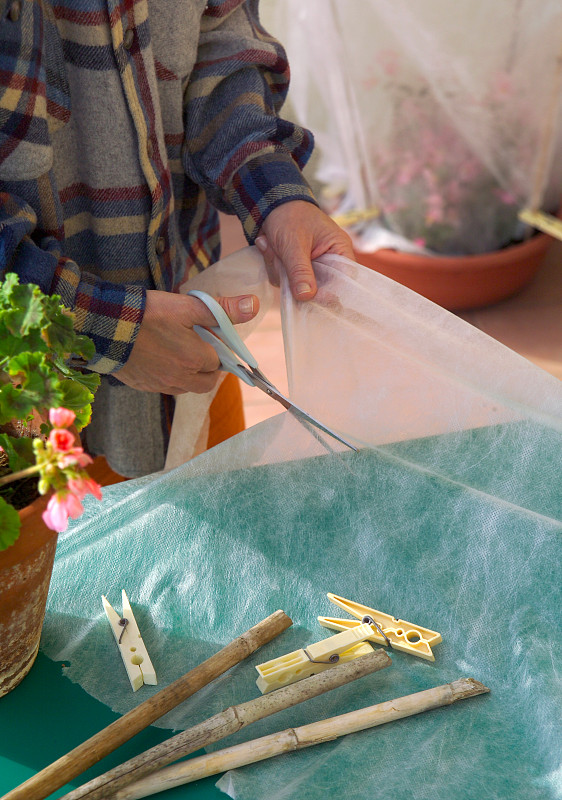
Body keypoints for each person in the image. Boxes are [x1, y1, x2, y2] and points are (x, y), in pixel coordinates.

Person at [0, 0, 354, 476]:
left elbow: (222, 34)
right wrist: (105, 329)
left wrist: (275, 192)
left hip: (199, 346)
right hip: (29, 428)